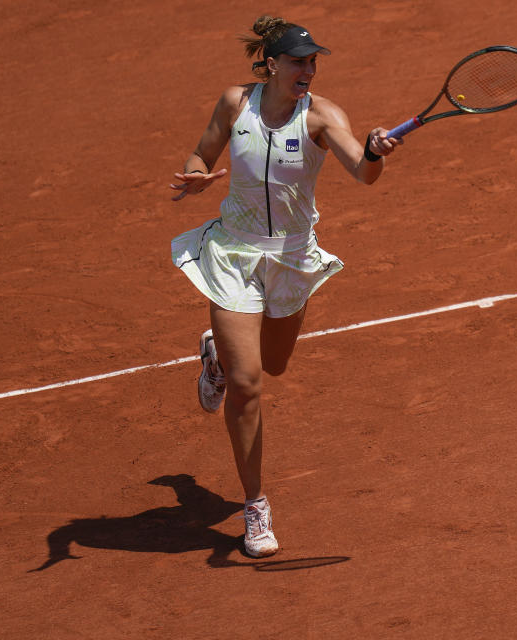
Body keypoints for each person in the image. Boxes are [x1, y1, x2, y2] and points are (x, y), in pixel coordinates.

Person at [169, 15, 401, 557]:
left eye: (313, 61)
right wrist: (197, 175)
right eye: (299, 60)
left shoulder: (321, 115)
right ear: (271, 65)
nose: (309, 69)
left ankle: (216, 359)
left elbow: (363, 173)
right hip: (233, 252)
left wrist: (373, 151)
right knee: (250, 385)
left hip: (292, 258)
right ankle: (255, 506)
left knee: (272, 364)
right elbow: (202, 154)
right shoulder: (235, 104)